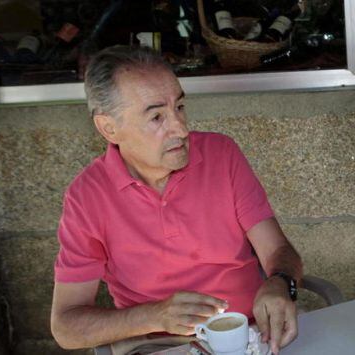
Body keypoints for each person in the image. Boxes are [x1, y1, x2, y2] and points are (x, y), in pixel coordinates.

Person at [50, 45, 302, 355]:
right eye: (157, 116)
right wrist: (154, 315)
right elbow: (66, 326)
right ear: (109, 128)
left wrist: (280, 282)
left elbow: (278, 249)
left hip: (249, 337)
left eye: (179, 107)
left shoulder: (221, 154)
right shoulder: (87, 196)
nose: (181, 129)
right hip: (157, 347)